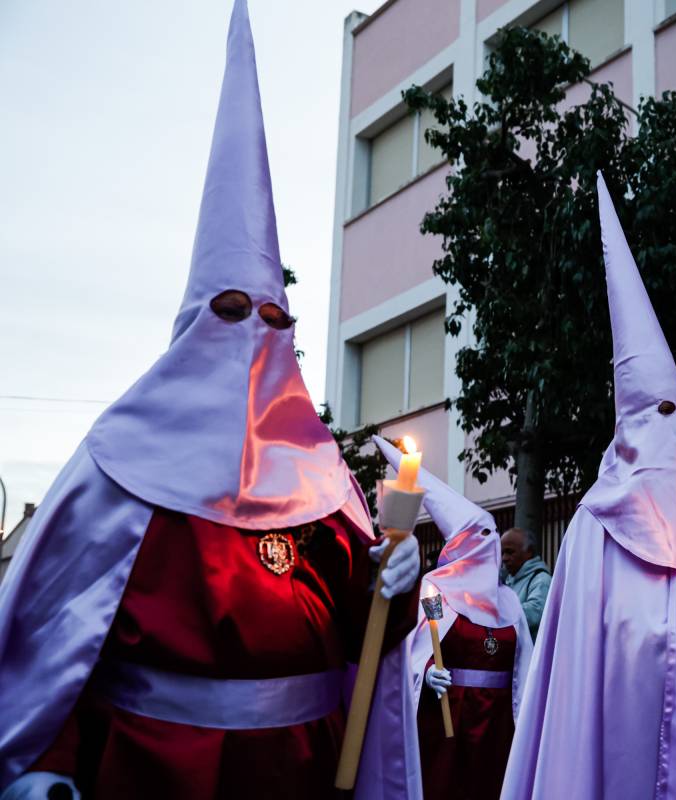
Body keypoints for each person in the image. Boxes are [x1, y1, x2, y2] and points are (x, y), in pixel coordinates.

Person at [0, 5, 422, 798]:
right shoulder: (116, 467)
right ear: (191, 326)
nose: (251, 337)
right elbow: (53, 649)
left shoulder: (323, 481)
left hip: (303, 768)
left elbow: (360, 630)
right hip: (159, 771)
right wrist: (45, 770)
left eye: (271, 320)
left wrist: (398, 583)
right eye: (230, 313)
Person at [500, 174, 676, 800]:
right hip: (627, 752)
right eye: (660, 416)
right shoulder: (597, 522)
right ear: (627, 429)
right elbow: (609, 643)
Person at [374, 437, 532, 800]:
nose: (489, 545)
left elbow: (526, 664)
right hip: (449, 716)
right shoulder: (435, 590)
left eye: (491, 536)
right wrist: (427, 672)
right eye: (481, 537)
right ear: (461, 546)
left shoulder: (508, 600)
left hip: (498, 722)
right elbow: (414, 647)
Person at [500, 528, 551, 641]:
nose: (504, 558)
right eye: (502, 553)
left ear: (529, 552)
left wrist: (499, 610)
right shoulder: (509, 579)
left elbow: (535, 613)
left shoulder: (541, 579)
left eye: (510, 552)